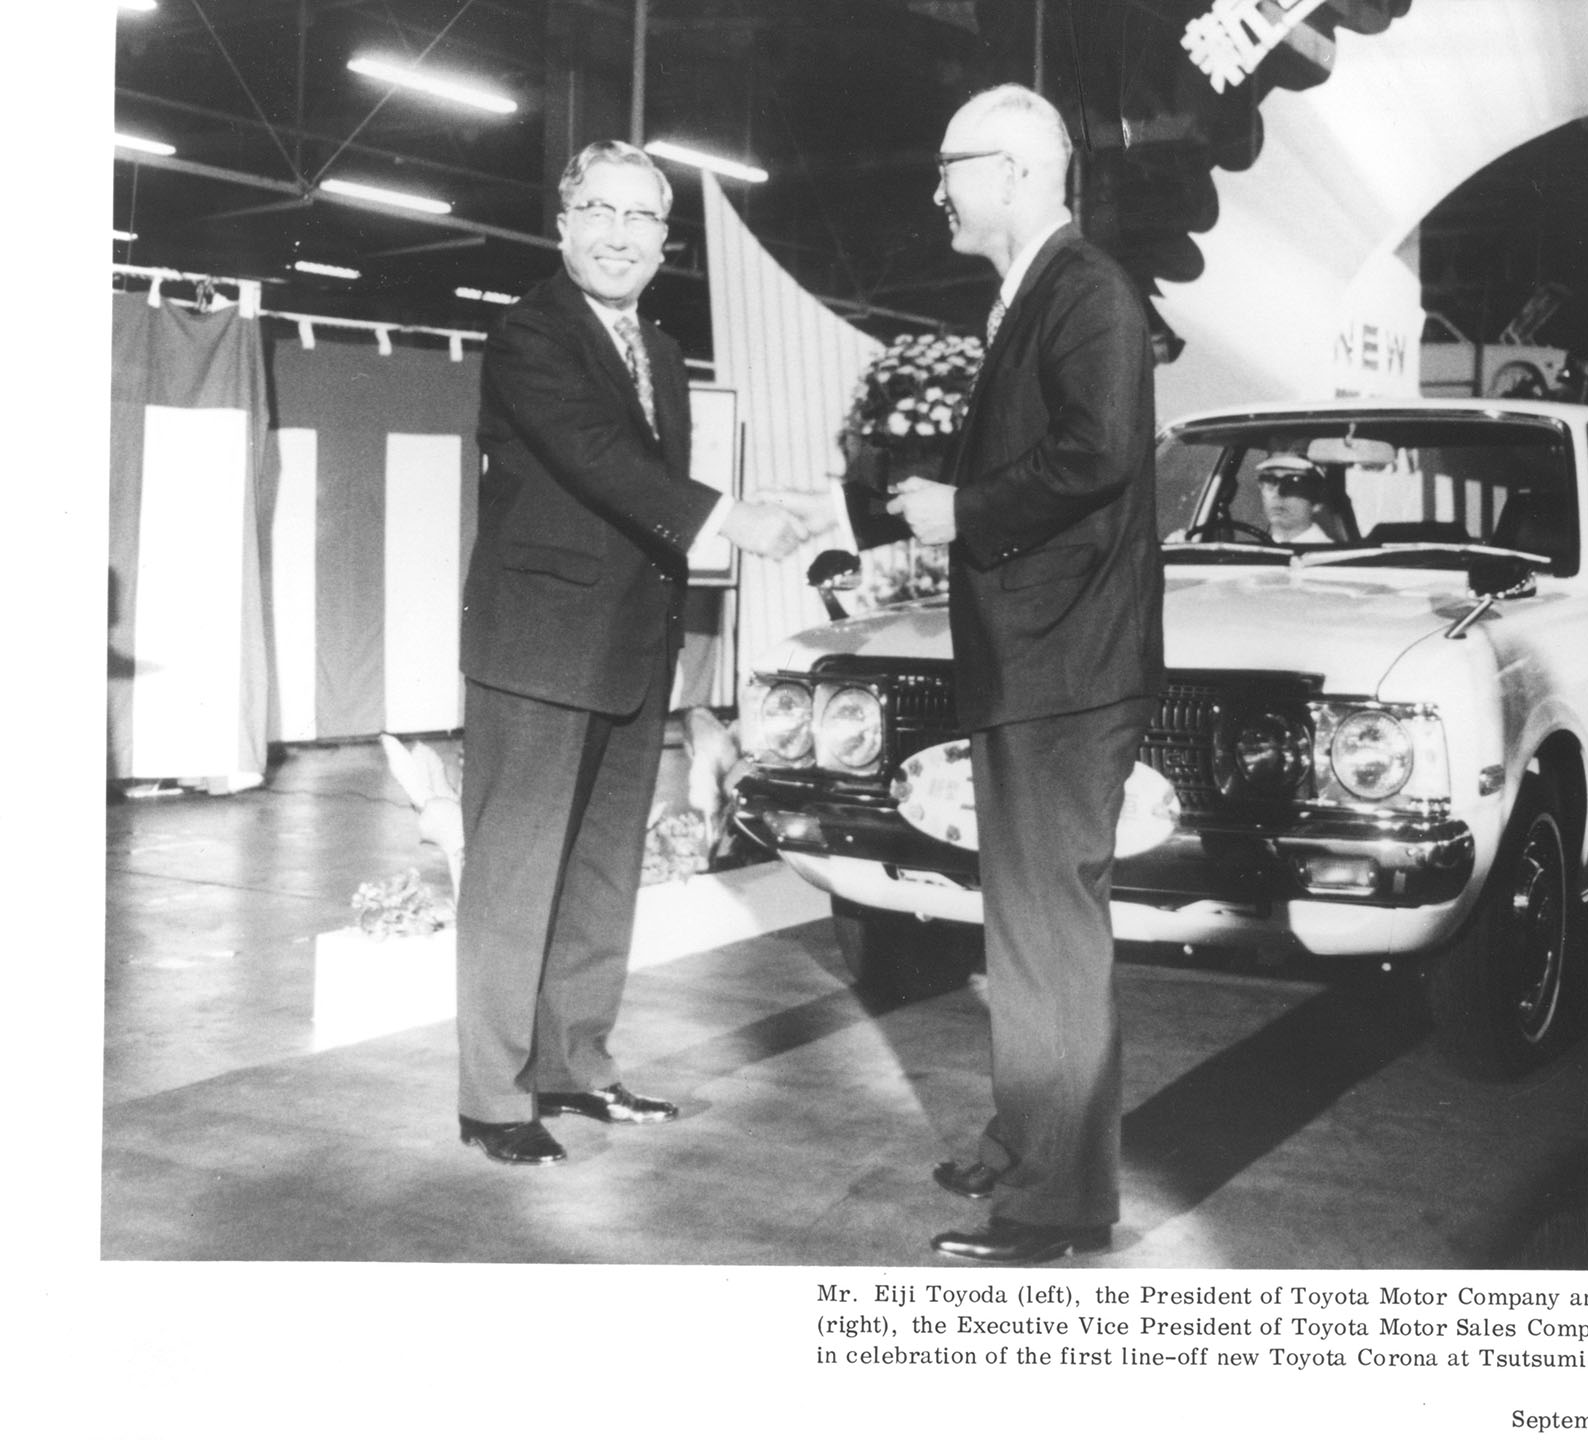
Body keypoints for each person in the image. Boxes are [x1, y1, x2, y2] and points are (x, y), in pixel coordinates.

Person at [455, 139, 805, 1166]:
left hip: (626, 641)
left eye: (639, 219)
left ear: (665, 243)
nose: (616, 235)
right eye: (597, 213)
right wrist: (729, 520)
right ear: (562, 225)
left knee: (604, 873)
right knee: (515, 876)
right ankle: (492, 1097)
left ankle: (574, 1064)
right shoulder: (530, 336)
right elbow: (600, 461)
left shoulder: (657, 350)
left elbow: (642, 506)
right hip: (536, 644)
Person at [887, 85, 1164, 1263]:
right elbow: (1040, 456)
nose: (938, 190)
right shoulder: (1037, 294)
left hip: (1064, 669)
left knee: (1049, 939)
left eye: (948, 167)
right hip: (1038, 662)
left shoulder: (1086, 290)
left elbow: (1096, 453)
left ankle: (1058, 1205)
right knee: (1026, 932)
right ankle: (1027, 1139)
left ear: (1008, 170)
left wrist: (963, 510)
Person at [1253, 455, 1335, 543]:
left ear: (1317, 502)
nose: (1277, 494)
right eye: (1269, 481)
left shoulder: (1330, 555)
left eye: (1293, 484)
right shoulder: (1254, 551)